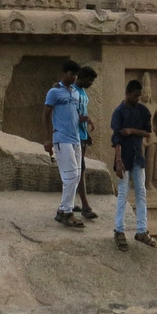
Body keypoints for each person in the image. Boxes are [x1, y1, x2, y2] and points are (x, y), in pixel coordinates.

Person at [111, 78, 157, 250]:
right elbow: (116, 139)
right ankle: (119, 229)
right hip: (124, 156)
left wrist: (132, 131)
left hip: (138, 156)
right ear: (127, 93)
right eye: (135, 95)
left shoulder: (143, 111)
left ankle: (141, 230)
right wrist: (118, 160)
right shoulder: (119, 112)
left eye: (139, 96)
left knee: (141, 192)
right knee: (123, 192)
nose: (138, 99)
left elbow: (148, 133)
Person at [44, 60, 85, 228]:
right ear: (64, 73)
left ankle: (63, 209)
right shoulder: (54, 92)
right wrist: (48, 138)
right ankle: (67, 212)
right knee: (70, 176)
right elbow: (46, 114)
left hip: (75, 138)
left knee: (76, 175)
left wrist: (85, 123)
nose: (74, 77)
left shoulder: (75, 92)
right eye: (71, 74)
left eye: (76, 75)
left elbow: (74, 114)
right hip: (61, 138)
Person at [73, 65, 99, 219]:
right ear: (81, 77)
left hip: (81, 135)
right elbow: (71, 115)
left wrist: (86, 133)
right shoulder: (73, 93)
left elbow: (81, 114)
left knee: (78, 169)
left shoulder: (83, 94)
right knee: (79, 169)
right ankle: (85, 206)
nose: (91, 84)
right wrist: (87, 119)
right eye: (90, 80)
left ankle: (69, 202)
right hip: (72, 136)